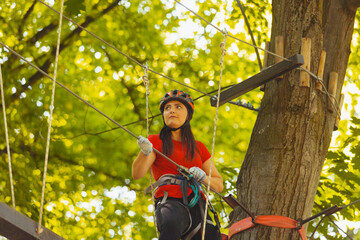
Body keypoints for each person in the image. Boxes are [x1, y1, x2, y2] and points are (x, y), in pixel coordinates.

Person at [132, 89, 223, 240]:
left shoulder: (199, 147)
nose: (171, 111)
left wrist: (203, 178)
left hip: (198, 206)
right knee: (171, 222)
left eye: (178, 107)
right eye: (167, 108)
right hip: (171, 202)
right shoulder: (155, 141)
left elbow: (218, 185)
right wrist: (145, 152)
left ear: (188, 115)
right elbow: (137, 174)